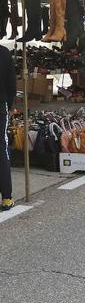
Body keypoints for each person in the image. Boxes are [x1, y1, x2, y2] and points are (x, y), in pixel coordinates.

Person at [0, 45, 16, 211]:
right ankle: (6, 197)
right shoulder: (4, 53)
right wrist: (10, 105)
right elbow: (11, 84)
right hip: (0, 106)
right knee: (1, 150)